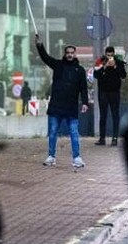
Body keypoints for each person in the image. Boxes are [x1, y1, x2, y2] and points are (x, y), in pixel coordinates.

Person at [35, 34, 89, 168]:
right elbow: (45, 58)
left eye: (72, 53)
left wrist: (85, 102)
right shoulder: (58, 65)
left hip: (71, 107)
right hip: (56, 106)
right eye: (68, 53)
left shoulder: (80, 70)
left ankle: (77, 158)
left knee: (74, 133)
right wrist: (39, 46)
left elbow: (83, 88)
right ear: (65, 54)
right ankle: (51, 156)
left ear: (75, 54)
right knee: (53, 132)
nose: (70, 55)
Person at [93, 46, 126, 146]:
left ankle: (115, 138)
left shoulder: (119, 62)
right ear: (105, 54)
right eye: (108, 55)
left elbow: (123, 75)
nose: (110, 57)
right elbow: (95, 75)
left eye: (111, 55)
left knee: (115, 115)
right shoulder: (101, 61)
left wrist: (115, 66)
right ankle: (102, 138)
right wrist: (105, 66)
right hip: (103, 92)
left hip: (114, 92)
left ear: (114, 54)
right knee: (103, 116)